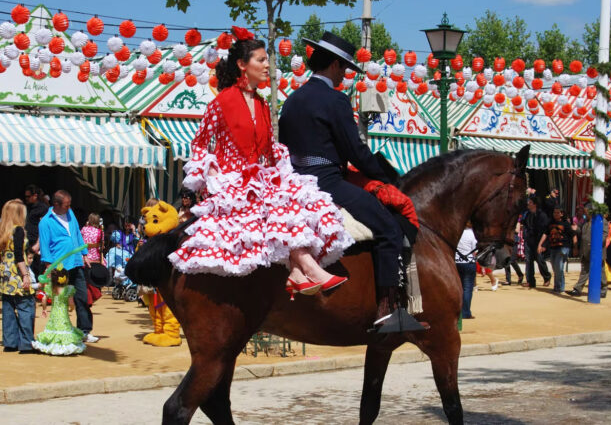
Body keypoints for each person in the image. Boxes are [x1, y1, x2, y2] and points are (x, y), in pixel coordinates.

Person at [169, 27, 352, 302]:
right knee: (279, 205)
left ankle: (299, 273)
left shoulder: (264, 104)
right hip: (233, 184)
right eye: (261, 60)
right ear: (243, 65)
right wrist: (213, 172)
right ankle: (305, 268)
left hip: (262, 180)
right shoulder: (222, 102)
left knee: (298, 202)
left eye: (267, 60)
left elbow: (268, 150)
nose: (268, 65)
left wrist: (281, 173)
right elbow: (200, 143)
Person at [279, 31, 426, 332]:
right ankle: (389, 310)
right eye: (344, 69)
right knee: (388, 227)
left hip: (294, 184)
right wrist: (387, 176)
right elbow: (355, 152)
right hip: (328, 183)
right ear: (334, 65)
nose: (344, 76)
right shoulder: (335, 100)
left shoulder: (291, 100)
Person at [38, 191, 96, 343]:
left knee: (82, 298)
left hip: (76, 262)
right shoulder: (45, 222)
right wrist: (48, 267)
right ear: (56, 204)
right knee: (60, 300)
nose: (69, 207)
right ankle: (60, 331)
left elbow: (77, 233)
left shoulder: (70, 214)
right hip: (59, 266)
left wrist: (84, 253)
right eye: (66, 205)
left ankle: (84, 331)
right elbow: (44, 245)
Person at [0, 199, 36, 353]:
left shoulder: (2, 230)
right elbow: (19, 255)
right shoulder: (18, 230)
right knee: (26, 307)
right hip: (16, 273)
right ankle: (26, 343)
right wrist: (25, 275)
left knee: (8, 307)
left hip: (5, 273)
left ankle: (10, 342)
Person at [32, 267, 86, 355]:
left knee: (53, 327)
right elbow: (71, 302)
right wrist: (71, 308)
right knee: (65, 327)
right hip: (63, 314)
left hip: (54, 314)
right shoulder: (68, 289)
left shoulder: (51, 289)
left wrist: (44, 309)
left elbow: (44, 299)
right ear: (66, 278)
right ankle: (65, 346)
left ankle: (51, 345)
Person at [567, 203, 610, 298]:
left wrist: (595, 244)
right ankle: (578, 289)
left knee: (600, 271)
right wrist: (576, 229)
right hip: (585, 250)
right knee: (584, 270)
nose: (585, 214)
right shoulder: (586, 222)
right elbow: (581, 231)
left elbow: (604, 235)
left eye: (586, 212)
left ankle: (603, 289)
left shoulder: (602, 221)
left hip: (596, 250)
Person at [538, 208, 576, 294]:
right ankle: (557, 287)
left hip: (563, 247)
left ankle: (559, 287)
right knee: (556, 268)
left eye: (557, 213)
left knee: (559, 267)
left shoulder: (565, 224)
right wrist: (540, 244)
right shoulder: (550, 223)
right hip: (553, 247)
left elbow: (573, 234)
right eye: (554, 212)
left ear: (562, 214)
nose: (555, 214)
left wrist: (575, 247)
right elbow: (545, 234)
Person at [522, 196, 552, 288]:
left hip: (539, 240)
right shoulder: (527, 214)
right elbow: (525, 225)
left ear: (534, 204)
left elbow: (546, 231)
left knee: (540, 260)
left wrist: (543, 244)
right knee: (528, 260)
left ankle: (547, 277)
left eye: (530, 202)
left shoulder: (542, 215)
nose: (528, 204)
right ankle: (530, 281)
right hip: (529, 240)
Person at [24, 185, 49, 277]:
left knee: (36, 268)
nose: (26, 199)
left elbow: (44, 228)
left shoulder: (43, 208)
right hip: (27, 241)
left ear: (35, 196)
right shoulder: (27, 207)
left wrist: (37, 244)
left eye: (28, 196)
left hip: (36, 243)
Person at [455, 223, 477, 319]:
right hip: (468, 262)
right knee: (467, 288)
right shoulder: (472, 234)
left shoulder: (457, 232)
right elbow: (475, 250)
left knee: (458, 287)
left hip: (456, 261)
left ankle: (457, 311)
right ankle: (466, 312)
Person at [81, 213, 107, 290]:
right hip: (96, 257)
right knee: (105, 262)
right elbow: (102, 245)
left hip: (84, 256)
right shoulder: (100, 232)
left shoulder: (83, 229)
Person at [503, 216, 524, 286]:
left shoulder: (516, 220)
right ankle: (508, 280)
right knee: (506, 260)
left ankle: (520, 274)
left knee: (512, 260)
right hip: (506, 241)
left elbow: (517, 230)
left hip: (513, 241)